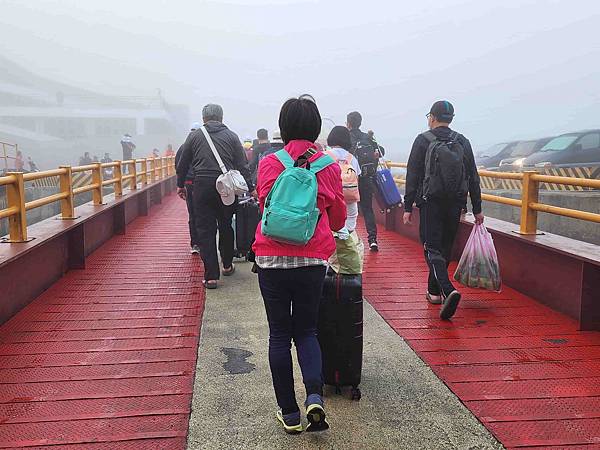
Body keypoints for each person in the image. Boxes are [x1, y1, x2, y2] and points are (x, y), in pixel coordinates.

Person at [253, 95, 346, 434]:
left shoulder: (269, 162)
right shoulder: (328, 165)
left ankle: (289, 415)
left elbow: (266, 205)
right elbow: (337, 220)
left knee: (279, 334)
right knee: (307, 331)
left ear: (283, 126)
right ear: (316, 126)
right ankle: (315, 397)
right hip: (312, 259)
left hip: (270, 257)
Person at [403, 100, 484, 320]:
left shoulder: (422, 140)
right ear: (451, 119)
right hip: (456, 203)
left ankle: (448, 289)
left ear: (432, 117)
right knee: (445, 246)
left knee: (431, 247)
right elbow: (472, 176)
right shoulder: (462, 141)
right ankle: (434, 293)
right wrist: (477, 208)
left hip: (430, 202)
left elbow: (413, 175)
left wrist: (407, 206)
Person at [176, 104, 254, 289]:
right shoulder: (232, 136)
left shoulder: (194, 136)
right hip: (225, 187)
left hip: (201, 186)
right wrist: (250, 187)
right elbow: (242, 165)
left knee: (205, 230)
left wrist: (180, 185)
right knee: (226, 225)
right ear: (221, 117)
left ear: (203, 119)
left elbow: (183, 163)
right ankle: (227, 265)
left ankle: (211, 277)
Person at [347, 111, 384, 251]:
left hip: (349, 180)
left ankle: (348, 239)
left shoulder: (347, 137)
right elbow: (381, 151)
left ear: (348, 123)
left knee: (348, 210)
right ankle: (373, 239)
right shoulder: (367, 137)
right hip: (367, 178)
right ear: (360, 122)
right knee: (368, 209)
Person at [326, 125, 361, 233]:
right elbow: (357, 179)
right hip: (350, 201)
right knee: (348, 232)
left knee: (329, 230)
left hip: (330, 201)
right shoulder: (352, 158)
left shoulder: (325, 156)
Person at [176, 122, 201, 254]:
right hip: (203, 183)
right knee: (205, 213)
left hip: (189, 184)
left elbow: (179, 167)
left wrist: (180, 185)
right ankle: (205, 242)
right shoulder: (202, 146)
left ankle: (195, 244)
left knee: (192, 214)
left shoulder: (183, 147)